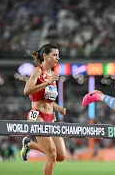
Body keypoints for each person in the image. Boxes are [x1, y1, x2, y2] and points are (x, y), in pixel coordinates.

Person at [21, 44, 67, 175]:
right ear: (45, 56)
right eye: (55, 55)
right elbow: (26, 90)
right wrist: (46, 82)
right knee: (51, 154)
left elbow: (49, 99)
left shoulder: (53, 74)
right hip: (37, 115)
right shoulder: (38, 71)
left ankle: (29, 144)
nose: (58, 58)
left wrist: (58, 108)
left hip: (50, 117)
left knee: (60, 156)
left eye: (58, 55)